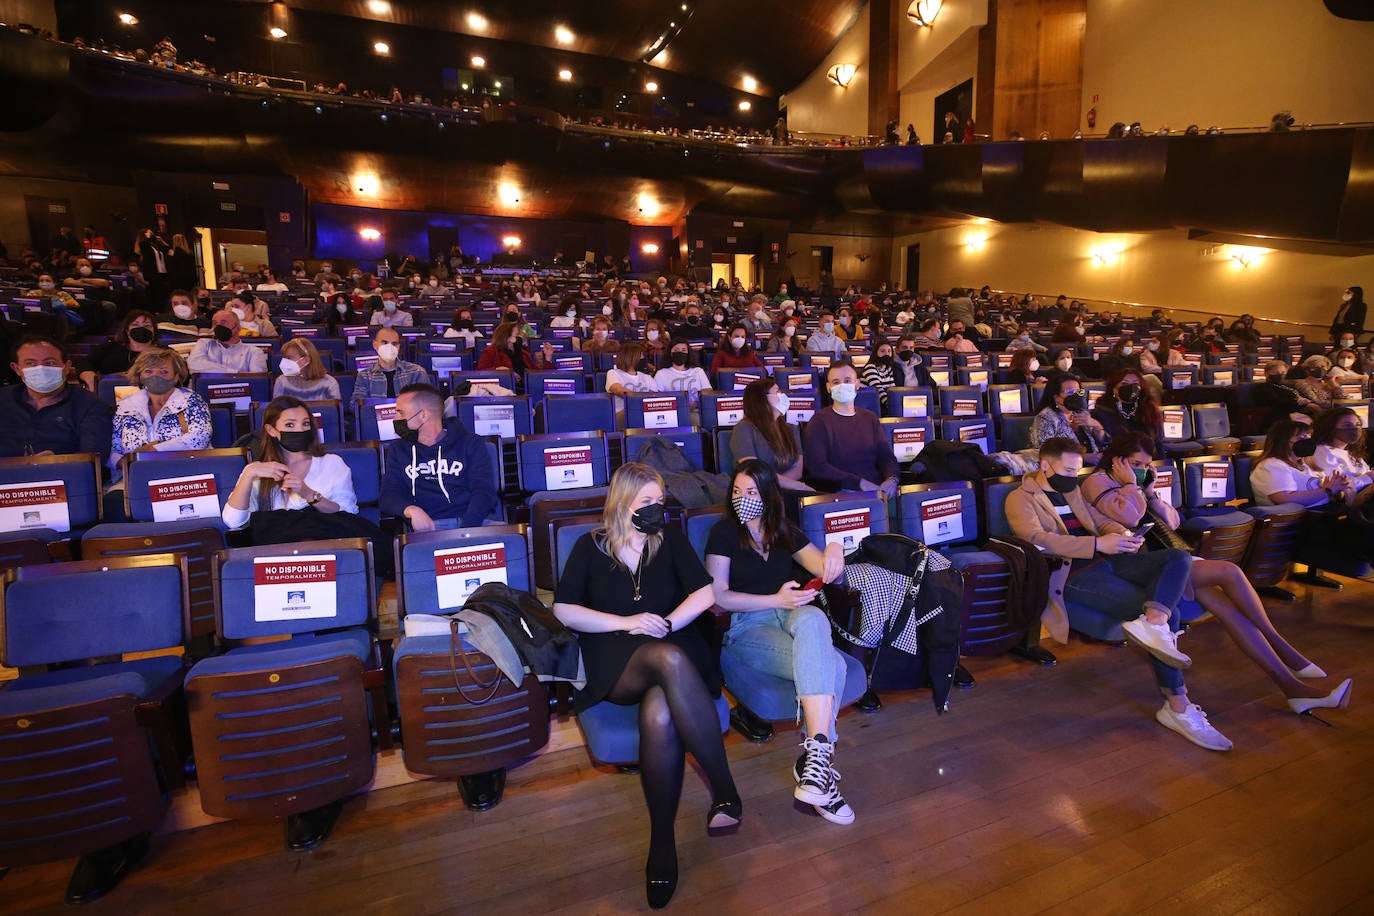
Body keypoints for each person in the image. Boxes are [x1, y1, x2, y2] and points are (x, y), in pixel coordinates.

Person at [553, 462, 740, 908]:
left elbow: (706, 592)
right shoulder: (590, 546)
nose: (657, 509)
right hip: (616, 655)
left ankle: (662, 847)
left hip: (672, 641)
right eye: (646, 503)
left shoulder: (669, 539)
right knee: (668, 659)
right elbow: (564, 610)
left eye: (660, 501)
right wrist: (628, 622)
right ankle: (725, 789)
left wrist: (669, 622)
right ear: (622, 504)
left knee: (659, 710)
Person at [1081, 432, 1350, 715]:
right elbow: (1130, 518)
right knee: (1229, 572)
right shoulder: (1097, 481)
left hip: (1170, 560)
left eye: (1147, 464)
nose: (1142, 469)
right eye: (1137, 463)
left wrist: (1149, 491)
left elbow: (1172, 523)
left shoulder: (1137, 484)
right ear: (1118, 460)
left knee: (1231, 611)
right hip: (1147, 564)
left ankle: (1294, 688)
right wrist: (1131, 485)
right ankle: (1284, 650)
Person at [1007, 436, 1232, 750]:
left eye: (1076, 470)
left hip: (1111, 559)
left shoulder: (1071, 490)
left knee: (1177, 557)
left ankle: (1154, 622)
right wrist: (1097, 544)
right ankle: (1177, 707)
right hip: (1074, 574)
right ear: (1045, 466)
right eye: (1068, 470)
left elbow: (1100, 522)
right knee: (1174, 614)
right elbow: (1037, 540)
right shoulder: (1021, 497)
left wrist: (1123, 535)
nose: (1074, 476)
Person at [705, 459, 853, 823]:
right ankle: (817, 761)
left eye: (752, 492)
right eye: (737, 492)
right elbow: (718, 596)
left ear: (769, 494)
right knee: (832, 664)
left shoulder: (782, 530)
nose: (744, 499)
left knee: (815, 616)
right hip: (748, 624)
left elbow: (824, 569)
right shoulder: (723, 533)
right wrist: (775, 599)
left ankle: (814, 760)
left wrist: (835, 549)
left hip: (791, 615)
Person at [222, 397, 359, 530]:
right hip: (277, 549)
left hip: (325, 544)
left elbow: (348, 513)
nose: (300, 430)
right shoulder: (258, 471)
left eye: (305, 424)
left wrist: (309, 494)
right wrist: (248, 474)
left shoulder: (332, 463)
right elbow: (233, 522)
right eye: (290, 425)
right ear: (271, 430)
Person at [380, 384, 498, 530]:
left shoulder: (470, 443)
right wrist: (412, 510)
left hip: (474, 523)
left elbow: (483, 492)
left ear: (423, 415)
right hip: (429, 528)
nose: (395, 418)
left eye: (400, 413)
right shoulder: (398, 450)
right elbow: (388, 495)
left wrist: (465, 532)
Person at [0, 335, 113, 464]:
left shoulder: (90, 405)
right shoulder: (3, 400)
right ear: (17, 368)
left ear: (66, 367)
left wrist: (59, 462)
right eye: (30, 363)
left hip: (62, 477)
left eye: (50, 363)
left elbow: (93, 458)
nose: (41, 369)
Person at [109, 348, 211, 478]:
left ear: (176, 377)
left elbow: (199, 438)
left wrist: (152, 451)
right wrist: (123, 462)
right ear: (140, 376)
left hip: (184, 474)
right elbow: (112, 448)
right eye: (148, 371)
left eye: (163, 372)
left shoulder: (191, 401)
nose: (155, 376)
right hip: (135, 476)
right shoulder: (125, 406)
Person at [803, 362, 899, 497]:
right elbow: (817, 467)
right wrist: (859, 483)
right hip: (842, 493)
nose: (842, 385)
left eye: (847, 381)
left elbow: (886, 456)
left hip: (878, 490)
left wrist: (892, 478)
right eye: (836, 382)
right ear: (828, 387)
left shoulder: (869, 417)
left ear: (857, 384)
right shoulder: (819, 421)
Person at [731, 378, 812, 492]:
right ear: (762, 399)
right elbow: (753, 470)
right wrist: (800, 486)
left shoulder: (791, 428)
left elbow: (797, 469)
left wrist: (778, 487)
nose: (783, 395)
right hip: (758, 492)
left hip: (788, 489)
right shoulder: (744, 429)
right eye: (777, 392)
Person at [1030, 373, 1107, 461]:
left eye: (1078, 392)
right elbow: (1045, 453)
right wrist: (1083, 458)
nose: (1075, 395)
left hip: (1092, 467)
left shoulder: (1082, 413)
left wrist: (1096, 425)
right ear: (1056, 397)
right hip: (1065, 470)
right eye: (1070, 392)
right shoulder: (1045, 418)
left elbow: (1103, 443)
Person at [1305, 407, 1373, 502]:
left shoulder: (1350, 451)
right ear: (1331, 428)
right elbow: (1337, 486)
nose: (1355, 429)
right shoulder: (1321, 452)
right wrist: (1368, 478)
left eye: (1358, 425)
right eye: (1347, 425)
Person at [80, 310, 159, 390]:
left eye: (147, 325)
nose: (141, 328)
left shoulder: (164, 353)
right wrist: (90, 378)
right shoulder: (109, 348)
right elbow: (84, 363)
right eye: (135, 324)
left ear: (154, 331)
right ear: (127, 331)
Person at [1091, 369, 1164, 455]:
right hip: (1117, 458)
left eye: (1135, 384)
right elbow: (1106, 442)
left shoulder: (1150, 409)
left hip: (1147, 459)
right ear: (1114, 389)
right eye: (1124, 384)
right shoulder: (1102, 411)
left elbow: (1158, 442)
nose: (1131, 388)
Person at [354, 327, 431, 399]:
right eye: (385, 343)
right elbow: (357, 405)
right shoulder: (365, 375)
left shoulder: (416, 372)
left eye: (394, 344)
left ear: (398, 347)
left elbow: (427, 402)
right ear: (375, 345)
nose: (389, 347)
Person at [187, 310, 269, 374]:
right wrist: (235, 373)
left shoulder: (254, 352)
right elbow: (194, 365)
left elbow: (257, 381)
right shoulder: (203, 344)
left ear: (238, 327)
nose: (218, 326)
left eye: (223, 322)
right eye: (215, 323)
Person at [476, 321, 554, 383]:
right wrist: (499, 369)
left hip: (526, 387)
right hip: (505, 388)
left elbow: (536, 374)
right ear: (505, 334)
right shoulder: (491, 351)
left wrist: (548, 357)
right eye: (515, 332)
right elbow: (479, 373)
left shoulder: (523, 353)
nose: (518, 334)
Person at [273, 337, 341, 402]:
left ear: (305, 360)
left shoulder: (329, 383)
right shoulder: (281, 381)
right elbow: (277, 411)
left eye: (289, 358)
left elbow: (333, 412)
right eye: (284, 358)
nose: (284, 362)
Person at [605, 343, 662, 416]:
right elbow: (617, 389)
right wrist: (641, 399)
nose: (643, 359)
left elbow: (654, 397)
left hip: (644, 414)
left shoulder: (647, 377)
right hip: (623, 414)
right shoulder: (614, 373)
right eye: (640, 356)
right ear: (630, 358)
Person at [860, 339, 901, 411]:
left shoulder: (888, 368)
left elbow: (891, 388)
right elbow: (878, 389)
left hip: (882, 402)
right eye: (882, 351)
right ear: (876, 353)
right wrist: (892, 405)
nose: (886, 354)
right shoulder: (870, 367)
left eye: (889, 351)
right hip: (869, 402)